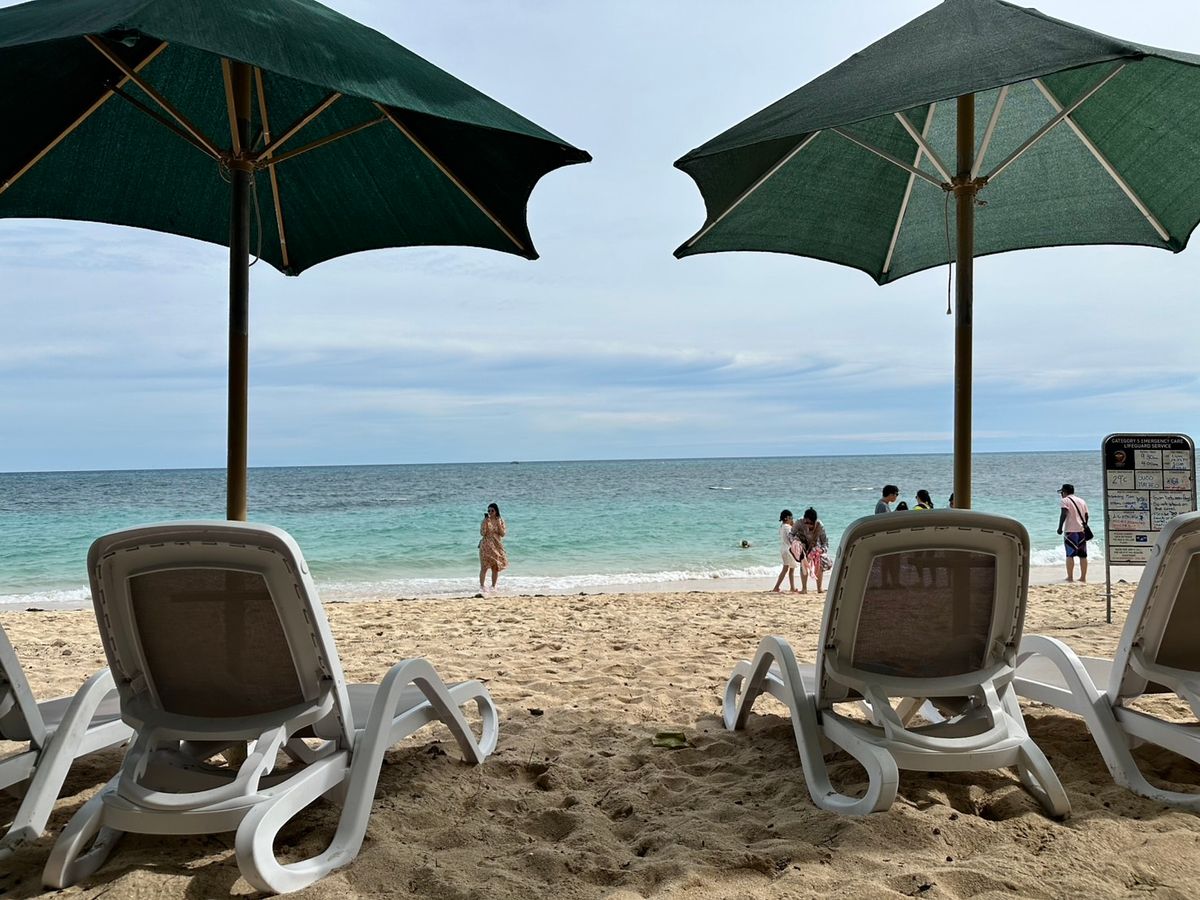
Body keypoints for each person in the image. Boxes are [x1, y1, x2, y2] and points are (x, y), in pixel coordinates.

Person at [1057, 484, 1090, 583]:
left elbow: (1063, 513)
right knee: (1083, 555)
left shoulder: (1065, 500)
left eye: (1061, 492)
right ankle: (1083, 578)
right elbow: (1086, 515)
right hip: (1081, 531)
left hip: (1070, 531)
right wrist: (1085, 526)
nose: (1061, 494)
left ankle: (1070, 577)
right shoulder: (1082, 501)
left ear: (1065, 492)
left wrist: (1060, 527)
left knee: (1070, 555)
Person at [795, 507, 831, 592]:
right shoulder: (799, 522)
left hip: (816, 546)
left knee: (819, 564)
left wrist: (821, 550)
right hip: (803, 545)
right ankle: (804, 588)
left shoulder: (819, 525)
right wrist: (795, 544)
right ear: (804, 520)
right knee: (803, 564)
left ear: (815, 521)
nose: (808, 525)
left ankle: (819, 588)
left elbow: (825, 542)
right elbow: (791, 534)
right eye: (806, 522)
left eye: (811, 523)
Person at [478, 502, 508, 594]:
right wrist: (485, 522)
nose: (490, 512)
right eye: (489, 511)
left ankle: (493, 586)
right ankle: (482, 586)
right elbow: (482, 533)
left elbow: (502, 534)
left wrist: (498, 524)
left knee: (495, 567)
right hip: (486, 545)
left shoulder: (500, 520)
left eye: (492, 510)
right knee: (484, 567)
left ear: (496, 511)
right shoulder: (485, 521)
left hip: (496, 545)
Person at [772, 509, 801, 593]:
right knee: (788, 569)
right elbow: (792, 537)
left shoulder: (782, 527)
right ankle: (777, 587)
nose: (792, 519)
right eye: (791, 518)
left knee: (788, 568)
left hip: (784, 549)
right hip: (788, 550)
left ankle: (791, 587)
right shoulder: (787, 527)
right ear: (787, 518)